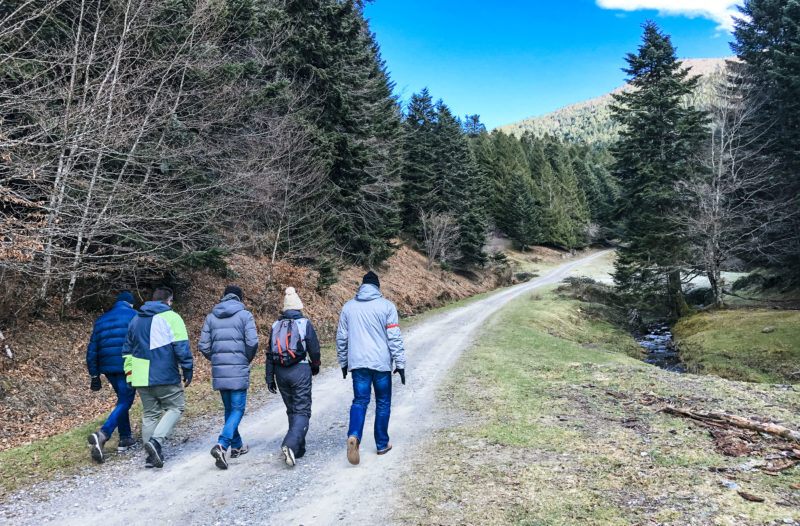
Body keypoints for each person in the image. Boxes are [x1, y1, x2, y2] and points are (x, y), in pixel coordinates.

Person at [336, 271, 406, 465]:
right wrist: (400, 364)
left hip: (358, 364)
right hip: (381, 364)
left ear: (362, 287)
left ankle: (354, 435)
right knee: (383, 402)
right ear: (377, 287)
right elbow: (394, 337)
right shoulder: (387, 306)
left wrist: (343, 362)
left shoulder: (348, 307)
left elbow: (342, 337)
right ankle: (382, 444)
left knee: (360, 401)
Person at [123, 286, 193, 469]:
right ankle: (156, 442)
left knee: (150, 414)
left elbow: (127, 352)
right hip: (165, 373)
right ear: (169, 301)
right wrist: (187, 368)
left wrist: (130, 374)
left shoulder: (135, 319)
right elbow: (181, 347)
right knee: (176, 407)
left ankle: (151, 456)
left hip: (140, 375)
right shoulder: (172, 317)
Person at [198, 285, 259, 470]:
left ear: (224, 297)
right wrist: (245, 358)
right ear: (240, 298)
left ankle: (237, 446)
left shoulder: (211, 317)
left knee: (229, 409)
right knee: (238, 409)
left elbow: (204, 345)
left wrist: (216, 359)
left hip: (220, 370)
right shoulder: (245, 315)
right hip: (238, 367)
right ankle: (222, 444)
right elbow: (252, 342)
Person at [265, 287, 321, 467]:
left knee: (291, 409)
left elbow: (269, 353)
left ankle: (298, 448)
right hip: (300, 369)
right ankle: (290, 444)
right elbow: (314, 348)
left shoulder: (275, 325)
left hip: (281, 372)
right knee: (303, 410)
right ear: (299, 307)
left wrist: (269, 377)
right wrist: (315, 365)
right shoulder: (304, 323)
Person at [86, 291, 138, 463]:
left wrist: (94, 374)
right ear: (130, 303)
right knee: (126, 400)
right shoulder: (134, 315)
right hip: (128, 364)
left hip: (109, 368)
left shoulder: (101, 320)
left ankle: (125, 438)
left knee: (122, 399)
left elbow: (92, 349)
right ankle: (103, 434)